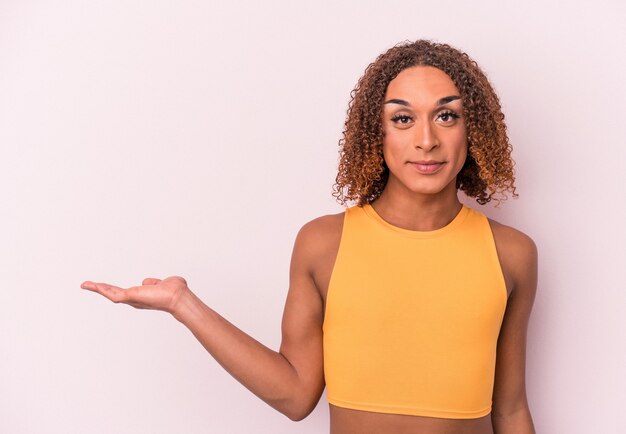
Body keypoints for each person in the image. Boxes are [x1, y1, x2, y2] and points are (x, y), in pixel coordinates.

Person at [81, 40, 537, 434]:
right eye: (402, 119)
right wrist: (184, 304)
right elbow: (296, 395)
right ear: (374, 133)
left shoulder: (511, 254)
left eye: (446, 116)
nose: (425, 140)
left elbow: (511, 408)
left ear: (472, 129)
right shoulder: (324, 244)